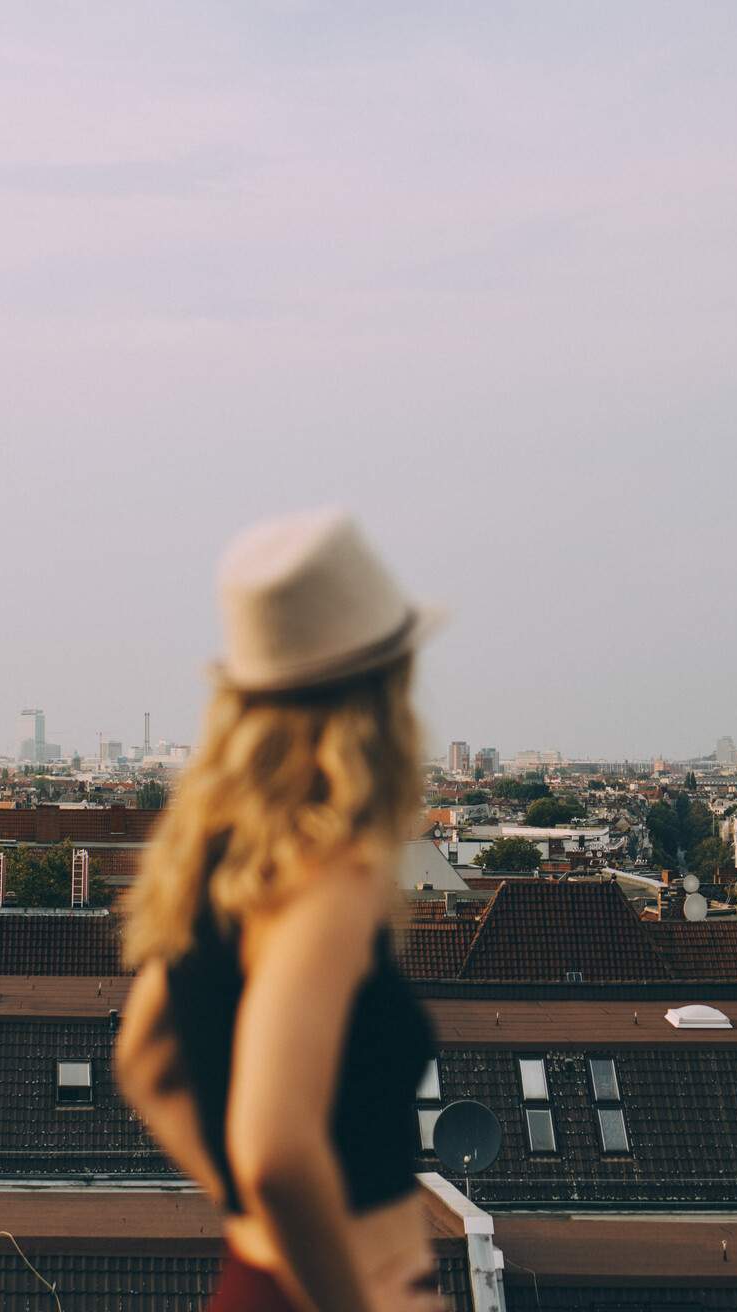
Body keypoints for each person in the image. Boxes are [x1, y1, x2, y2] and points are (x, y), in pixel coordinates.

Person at [117, 508, 443, 1312]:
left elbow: (145, 1063)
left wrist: (254, 1226)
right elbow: (275, 1148)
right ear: (381, 691)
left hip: (255, 1278)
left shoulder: (216, 858)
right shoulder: (328, 875)